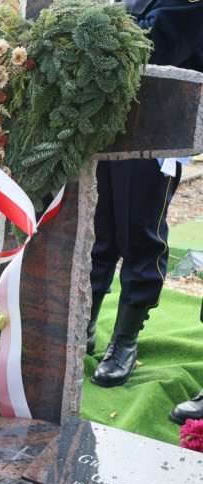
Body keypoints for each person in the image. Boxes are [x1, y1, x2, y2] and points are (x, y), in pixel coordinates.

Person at [89, 0, 203, 387]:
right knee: (96, 230)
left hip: (157, 120)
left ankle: (124, 340)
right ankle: (82, 323)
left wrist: (99, 31)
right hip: (105, 116)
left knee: (139, 233)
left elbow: (162, 41)